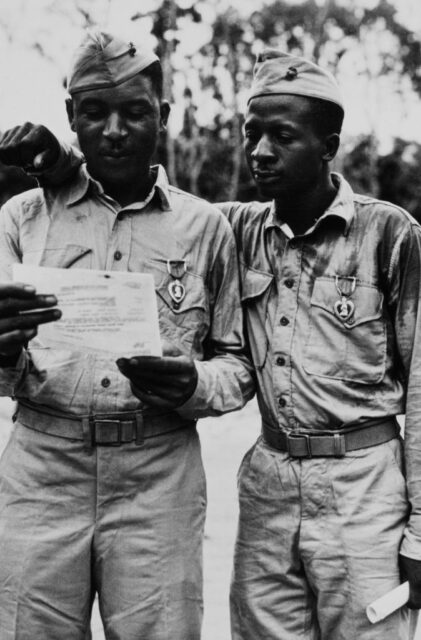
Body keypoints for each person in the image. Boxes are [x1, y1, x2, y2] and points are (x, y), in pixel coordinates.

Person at [5, 49, 421, 640]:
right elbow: (121, 186)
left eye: (283, 136)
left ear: (329, 144)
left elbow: (419, 388)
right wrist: (67, 162)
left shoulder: (379, 234)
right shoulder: (227, 227)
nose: (261, 152)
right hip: (246, 480)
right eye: (253, 135)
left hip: (348, 484)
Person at [0, 30, 254, 640]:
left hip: (158, 472)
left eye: (135, 111)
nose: (114, 130)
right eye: (94, 111)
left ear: (162, 117)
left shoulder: (205, 227)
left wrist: (195, 383)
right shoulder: (21, 218)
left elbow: (240, 364)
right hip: (41, 467)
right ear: (70, 117)